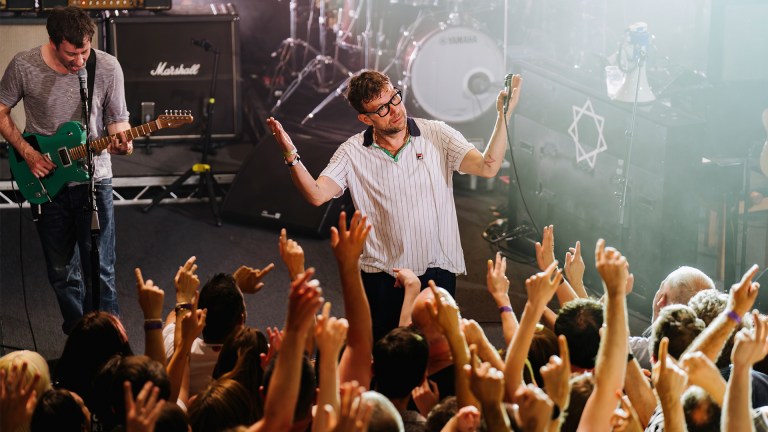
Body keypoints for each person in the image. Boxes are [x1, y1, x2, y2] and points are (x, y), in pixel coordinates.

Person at [267, 70, 522, 340]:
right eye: (382, 109)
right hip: (383, 275)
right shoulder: (352, 152)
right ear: (365, 118)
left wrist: (502, 117)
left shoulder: (436, 133)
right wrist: (291, 155)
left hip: (437, 268)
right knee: (386, 355)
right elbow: (316, 195)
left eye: (395, 98)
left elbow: (487, 167)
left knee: (437, 352)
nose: (395, 110)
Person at [0, 6, 133, 334]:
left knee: (100, 271)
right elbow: (1, 111)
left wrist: (122, 141)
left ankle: (107, 347)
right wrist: (28, 153)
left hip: (95, 179)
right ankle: (80, 339)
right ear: (53, 42)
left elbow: (117, 120)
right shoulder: (24, 64)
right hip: (47, 182)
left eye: (84, 51)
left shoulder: (106, 67)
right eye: (72, 54)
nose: (79, 61)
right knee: (61, 273)